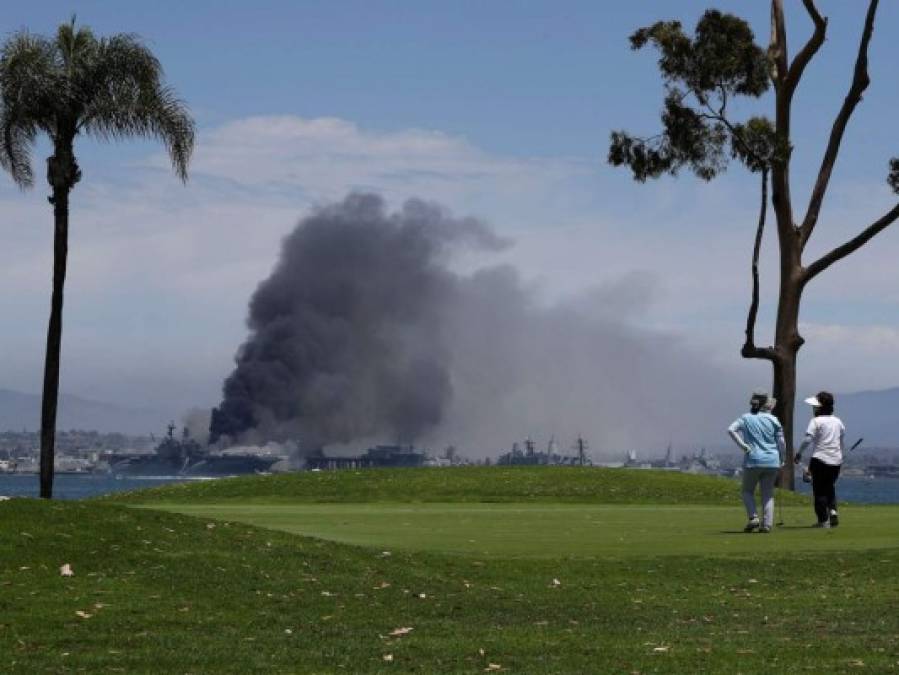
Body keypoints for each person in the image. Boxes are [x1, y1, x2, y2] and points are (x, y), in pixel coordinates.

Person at [728, 390, 786, 533]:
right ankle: (767, 524)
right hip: (772, 460)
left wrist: (743, 446)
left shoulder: (746, 418)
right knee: (768, 493)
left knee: (747, 491)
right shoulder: (774, 420)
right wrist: (782, 459)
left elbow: (731, 430)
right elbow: (782, 442)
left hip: (753, 460)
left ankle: (753, 518)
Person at [794, 391, 845, 528]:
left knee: (819, 490)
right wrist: (840, 456)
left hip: (820, 459)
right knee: (830, 487)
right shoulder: (838, 422)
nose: (813, 408)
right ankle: (833, 511)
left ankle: (823, 520)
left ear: (819, 407)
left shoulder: (815, 421)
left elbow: (808, 439)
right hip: (836, 461)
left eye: (815, 406)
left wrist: (799, 453)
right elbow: (841, 442)